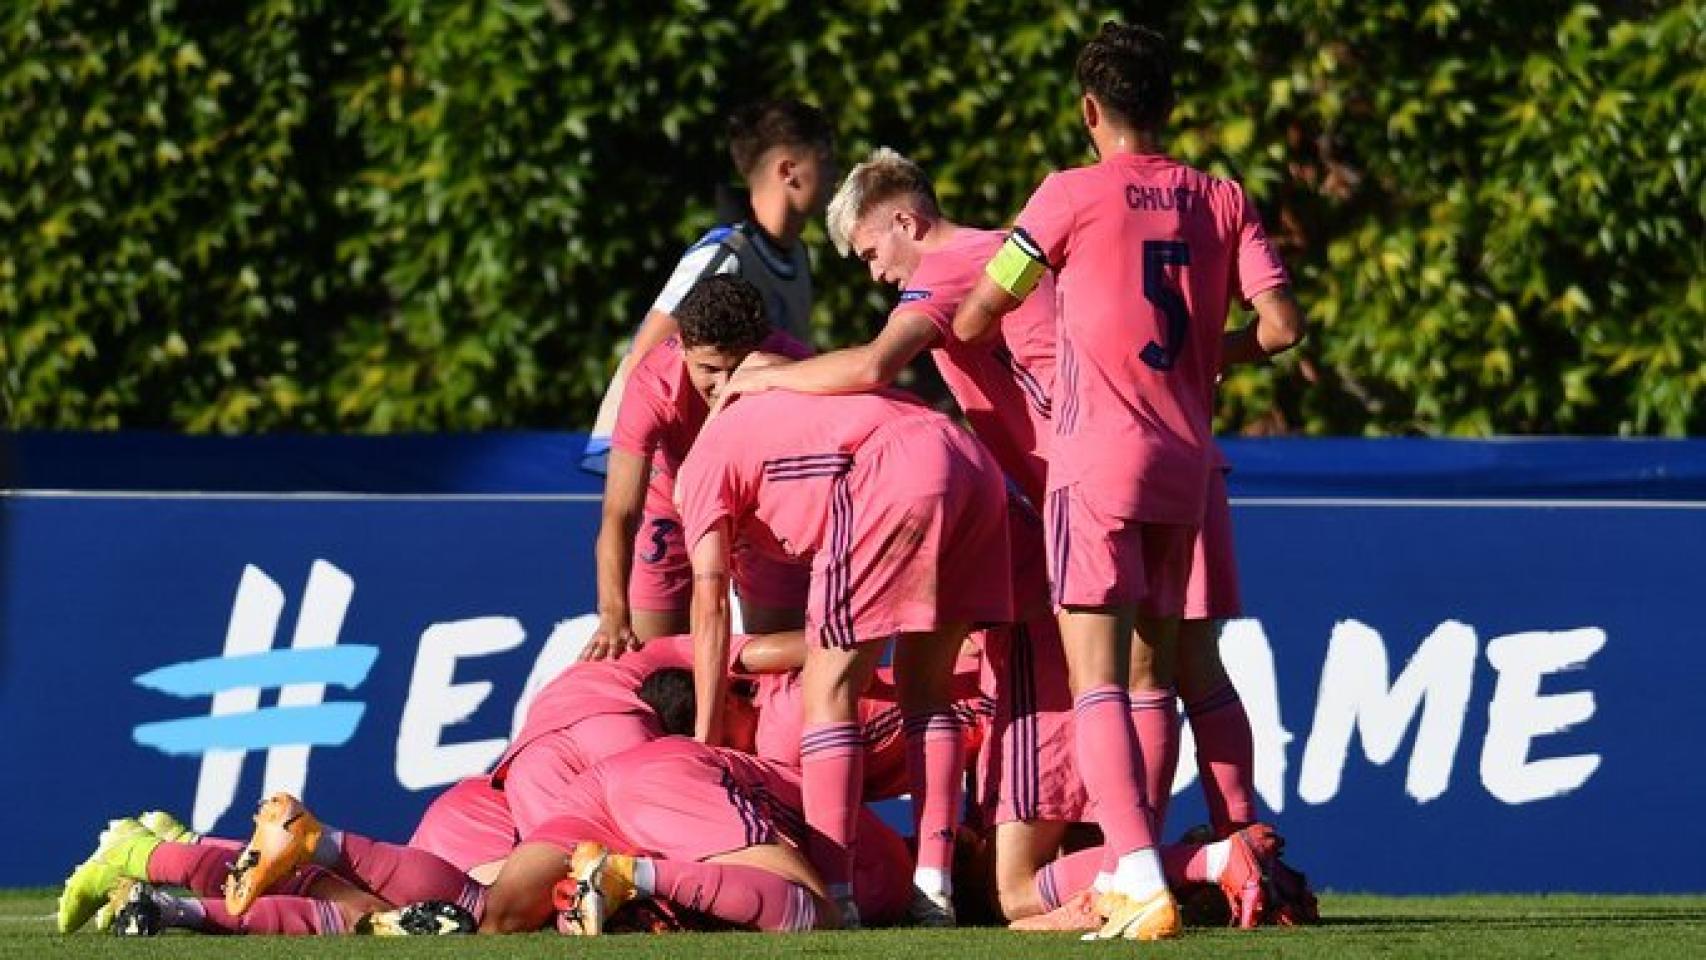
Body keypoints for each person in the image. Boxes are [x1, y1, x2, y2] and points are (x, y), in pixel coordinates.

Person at [951, 21, 1305, 941]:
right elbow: (1281, 328)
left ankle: (1138, 875)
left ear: (1089, 111)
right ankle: (1219, 853)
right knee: (1161, 670)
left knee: (1098, 675)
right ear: (1170, 108)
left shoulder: (1065, 196)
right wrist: (1195, 364)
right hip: (1185, 466)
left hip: (1097, 461)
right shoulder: (1222, 199)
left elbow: (981, 312)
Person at [674, 284, 1012, 926]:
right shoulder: (800, 382)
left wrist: (705, 736)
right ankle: (933, 890)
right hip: (968, 457)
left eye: (722, 370)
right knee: (927, 688)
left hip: (895, 470)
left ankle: (835, 893)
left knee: (828, 686)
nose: (717, 387)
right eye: (705, 372)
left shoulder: (704, 459)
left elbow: (709, 603)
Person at [717, 147, 1054, 506]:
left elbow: (873, 366)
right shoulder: (1001, 244)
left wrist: (767, 376)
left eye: (872, 254)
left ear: (906, 223)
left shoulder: (944, 268)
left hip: (1074, 472)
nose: (876, 274)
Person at [582, 99, 835, 474]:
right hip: (648, 463)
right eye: (828, 160)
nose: (836, 175)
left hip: (723, 460)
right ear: (789, 171)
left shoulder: (796, 256)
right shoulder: (723, 255)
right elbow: (646, 360)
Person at [589, 275, 815, 659]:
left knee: (783, 671)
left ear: (761, 348)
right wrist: (612, 615)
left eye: (738, 367)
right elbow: (620, 513)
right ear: (684, 350)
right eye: (709, 369)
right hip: (672, 510)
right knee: (657, 666)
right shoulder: (651, 385)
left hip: (760, 510)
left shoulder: (794, 364)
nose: (725, 385)